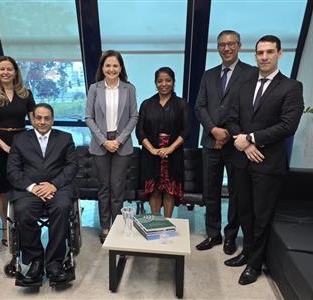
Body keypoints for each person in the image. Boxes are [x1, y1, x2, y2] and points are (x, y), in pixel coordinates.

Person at [225, 35, 303, 285]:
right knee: (244, 211)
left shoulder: (291, 87)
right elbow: (231, 117)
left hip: (268, 164)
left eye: (270, 52)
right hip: (242, 160)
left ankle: (255, 265)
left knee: (261, 215)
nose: (264, 57)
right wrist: (244, 142)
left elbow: (288, 126)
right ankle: (247, 252)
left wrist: (250, 138)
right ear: (255, 55)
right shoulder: (244, 85)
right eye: (260, 52)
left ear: (280, 54)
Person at [194, 30, 257, 255]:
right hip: (211, 142)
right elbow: (199, 106)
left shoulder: (251, 73)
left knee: (236, 192)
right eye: (222, 45)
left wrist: (228, 133)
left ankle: (231, 236)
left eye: (231, 44)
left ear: (239, 46)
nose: (226, 48)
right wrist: (213, 129)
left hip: (237, 144)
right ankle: (213, 234)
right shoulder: (208, 75)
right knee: (210, 191)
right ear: (217, 48)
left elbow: (250, 109)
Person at [6, 103, 78, 286]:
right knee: (23, 210)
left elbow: (72, 167)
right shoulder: (20, 139)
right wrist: (32, 187)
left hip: (57, 188)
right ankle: (35, 261)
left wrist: (53, 185)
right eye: (39, 118)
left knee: (62, 208)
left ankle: (54, 263)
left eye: (47, 118)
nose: (43, 121)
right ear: (33, 119)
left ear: (52, 120)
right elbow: (12, 170)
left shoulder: (65, 138)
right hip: (29, 190)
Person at [85, 50, 138, 243]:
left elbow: (134, 117)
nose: (111, 69)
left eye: (115, 65)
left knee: (117, 188)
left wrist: (119, 140)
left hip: (121, 145)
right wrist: (103, 140)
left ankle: (117, 226)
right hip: (101, 144)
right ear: (102, 68)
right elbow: (89, 118)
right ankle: (105, 226)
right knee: (104, 188)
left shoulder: (129, 89)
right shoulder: (94, 88)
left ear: (121, 68)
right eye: (107, 65)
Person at [0, 56, 35, 246]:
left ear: (16, 72)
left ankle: (22, 225)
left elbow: (35, 120)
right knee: (2, 191)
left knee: (21, 187)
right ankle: (6, 229)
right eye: (1, 69)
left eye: (9, 69)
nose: (5, 72)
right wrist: (4, 146)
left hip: (22, 143)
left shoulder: (25, 93)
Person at [136, 67, 190, 217]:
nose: (164, 84)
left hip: (173, 154)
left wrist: (170, 148)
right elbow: (140, 131)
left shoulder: (181, 104)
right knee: (154, 190)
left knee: (169, 190)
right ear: (155, 83)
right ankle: (155, 223)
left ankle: (167, 223)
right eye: (160, 81)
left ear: (173, 82)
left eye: (168, 80)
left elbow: (186, 131)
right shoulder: (146, 104)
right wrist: (152, 149)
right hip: (151, 154)